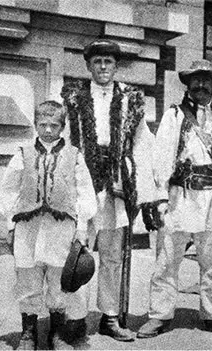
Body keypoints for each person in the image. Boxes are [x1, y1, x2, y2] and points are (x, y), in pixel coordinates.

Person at [136, 59, 212, 338]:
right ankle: (160, 315)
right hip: (179, 196)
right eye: (196, 79)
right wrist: (160, 198)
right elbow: (161, 156)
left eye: (207, 80)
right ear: (188, 84)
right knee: (167, 260)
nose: (201, 85)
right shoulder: (174, 115)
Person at [60, 39, 157, 342]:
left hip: (116, 178)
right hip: (83, 177)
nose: (103, 67)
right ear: (89, 65)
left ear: (116, 66)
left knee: (114, 254)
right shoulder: (74, 98)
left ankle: (109, 317)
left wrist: (141, 190)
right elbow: (64, 141)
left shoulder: (130, 100)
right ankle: (74, 318)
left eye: (109, 62)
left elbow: (142, 144)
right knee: (78, 249)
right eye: (98, 62)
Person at [0, 101, 97, 350]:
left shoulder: (74, 155)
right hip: (29, 227)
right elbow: (8, 189)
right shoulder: (23, 152)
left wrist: (82, 225)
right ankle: (28, 333)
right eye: (43, 125)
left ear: (62, 127)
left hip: (60, 228)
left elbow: (85, 192)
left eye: (54, 125)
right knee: (28, 278)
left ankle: (57, 333)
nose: (48, 130)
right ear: (36, 125)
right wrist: (9, 222)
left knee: (58, 279)